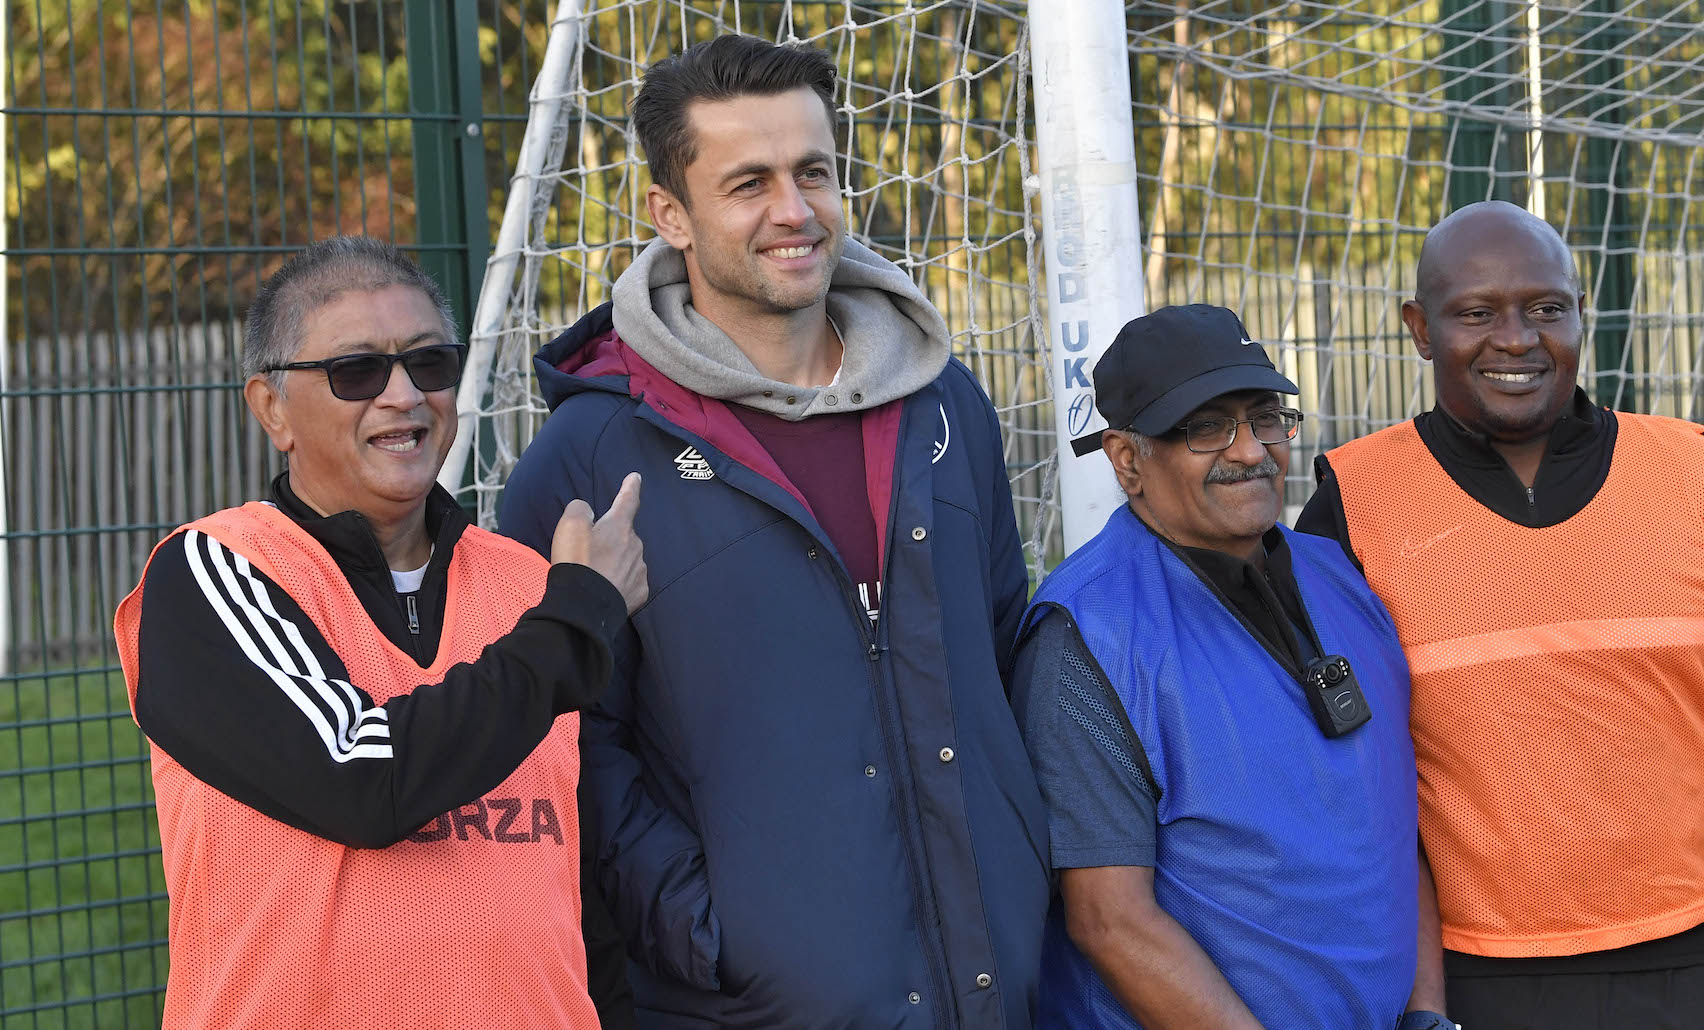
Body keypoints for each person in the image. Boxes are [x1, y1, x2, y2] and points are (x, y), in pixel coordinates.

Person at [495, 34, 1047, 1029]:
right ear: (671, 214)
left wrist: (1023, 877)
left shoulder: (944, 406)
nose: (793, 212)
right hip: (754, 1002)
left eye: (814, 173)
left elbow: (1004, 651)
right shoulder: (587, 456)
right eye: (748, 182)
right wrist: (715, 932)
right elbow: (573, 749)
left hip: (992, 981)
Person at [1298, 200, 1704, 1030]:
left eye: (1547, 308)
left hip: (1696, 972)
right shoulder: (1353, 508)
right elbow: (1345, 782)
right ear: (1419, 327)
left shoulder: (1695, 474)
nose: (1516, 339)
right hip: (1472, 988)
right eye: (1476, 313)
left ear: (1582, 314)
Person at [113, 236, 648, 1029]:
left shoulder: (529, 587)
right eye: (356, 371)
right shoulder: (213, 570)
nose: (403, 395)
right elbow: (361, 780)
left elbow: (576, 895)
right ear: (271, 409)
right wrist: (576, 622)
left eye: (429, 364)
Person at [1010, 303, 1453, 1029]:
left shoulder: (1340, 575)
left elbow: (1392, 827)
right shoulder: (1086, 638)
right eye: (1207, 426)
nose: (1251, 451)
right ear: (1126, 459)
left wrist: (1426, 1012)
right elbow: (1110, 923)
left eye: (1265, 417)